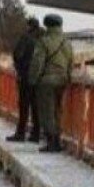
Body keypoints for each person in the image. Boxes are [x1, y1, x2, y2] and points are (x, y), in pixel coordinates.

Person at [29, 13, 73, 153]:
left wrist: (32, 80)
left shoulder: (44, 41)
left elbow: (37, 63)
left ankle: (51, 142)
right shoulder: (66, 42)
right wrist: (68, 78)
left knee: (47, 111)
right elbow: (71, 62)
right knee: (58, 110)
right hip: (62, 81)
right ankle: (58, 141)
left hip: (46, 82)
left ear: (47, 25)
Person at [8, 17, 43, 143]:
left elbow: (17, 55)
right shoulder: (42, 40)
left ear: (29, 26)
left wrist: (19, 69)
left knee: (24, 106)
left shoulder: (26, 38)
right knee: (35, 106)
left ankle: (21, 133)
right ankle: (36, 134)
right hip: (39, 78)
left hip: (25, 76)